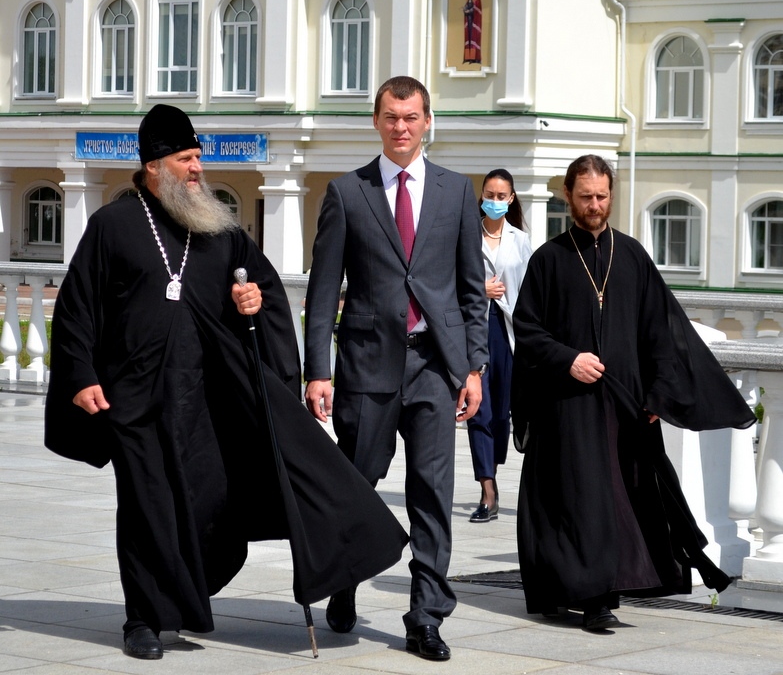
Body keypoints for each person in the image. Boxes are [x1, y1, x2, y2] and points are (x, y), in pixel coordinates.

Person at [44, 104, 408, 660]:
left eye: (198, 157)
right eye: (186, 159)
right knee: (144, 507)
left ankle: (185, 594)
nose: (197, 168)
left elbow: (264, 292)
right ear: (154, 166)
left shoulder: (218, 229)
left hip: (204, 400)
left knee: (208, 502)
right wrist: (80, 376)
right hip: (134, 398)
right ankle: (142, 620)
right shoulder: (112, 226)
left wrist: (251, 302)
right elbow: (77, 309)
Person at [512, 154, 756, 631]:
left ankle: (602, 595)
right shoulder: (549, 259)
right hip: (567, 405)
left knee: (618, 499)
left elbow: (661, 332)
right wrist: (568, 358)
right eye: (586, 197)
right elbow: (528, 330)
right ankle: (580, 594)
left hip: (624, 404)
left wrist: (658, 394)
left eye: (602, 196)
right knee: (574, 499)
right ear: (568, 196)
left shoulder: (632, 256)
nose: (595, 205)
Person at [304, 76, 488, 661]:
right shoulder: (346, 192)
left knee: (433, 494)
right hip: (366, 367)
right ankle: (344, 581)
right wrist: (317, 370)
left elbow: (471, 291)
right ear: (377, 122)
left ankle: (426, 617)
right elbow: (323, 290)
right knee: (358, 485)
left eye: (411, 117)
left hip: (435, 366)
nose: (401, 127)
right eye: (391, 117)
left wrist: (474, 367)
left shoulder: (457, 192)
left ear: (427, 121)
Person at [468, 169, 532, 522]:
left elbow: (530, 291)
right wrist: (481, 290)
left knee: (501, 414)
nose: (494, 201)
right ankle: (487, 489)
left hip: (508, 334)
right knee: (478, 409)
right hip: (474, 330)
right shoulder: (466, 234)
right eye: (489, 195)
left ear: (511, 198)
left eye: (500, 196)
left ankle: (491, 470)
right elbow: (451, 281)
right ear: (482, 195)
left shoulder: (521, 241)